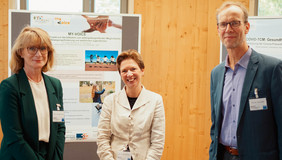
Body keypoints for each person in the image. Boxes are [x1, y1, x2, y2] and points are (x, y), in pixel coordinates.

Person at [209, 2, 282, 160]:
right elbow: (215, 126)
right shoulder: (216, 74)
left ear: (247, 27)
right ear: (218, 29)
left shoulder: (272, 69)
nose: (228, 29)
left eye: (234, 23)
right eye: (223, 24)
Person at [0, 26, 65, 160]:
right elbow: (14, 137)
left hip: (49, 154)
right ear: (20, 52)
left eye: (43, 48)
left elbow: (60, 127)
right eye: (32, 48)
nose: (38, 54)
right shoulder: (10, 87)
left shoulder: (55, 85)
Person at [97, 49, 165, 160]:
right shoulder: (110, 101)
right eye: (124, 71)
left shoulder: (156, 100)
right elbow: (102, 138)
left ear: (142, 70)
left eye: (133, 69)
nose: (129, 74)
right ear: (120, 74)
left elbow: (158, 141)